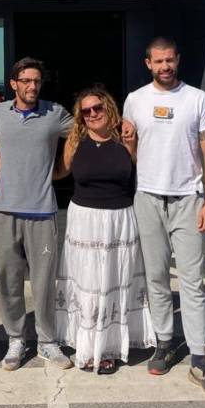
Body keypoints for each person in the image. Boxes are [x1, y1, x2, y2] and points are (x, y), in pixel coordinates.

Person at [122, 36, 205, 396]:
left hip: (188, 198)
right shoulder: (135, 100)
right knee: (155, 277)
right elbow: (133, 151)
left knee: (193, 281)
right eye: (158, 61)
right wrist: (129, 142)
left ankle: (199, 357)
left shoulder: (197, 98)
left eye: (170, 60)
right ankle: (165, 342)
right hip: (148, 196)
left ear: (177, 60)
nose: (165, 67)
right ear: (147, 63)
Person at [53, 86, 156, 374]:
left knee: (114, 281)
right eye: (86, 111)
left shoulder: (126, 138)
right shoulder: (75, 141)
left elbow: (144, 168)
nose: (92, 114)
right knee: (87, 284)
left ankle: (109, 347)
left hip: (120, 220)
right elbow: (56, 172)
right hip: (84, 221)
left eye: (97, 107)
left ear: (108, 107)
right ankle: (86, 344)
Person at [0, 57, 74, 371]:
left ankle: (48, 342)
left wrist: (64, 168)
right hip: (3, 210)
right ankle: (15, 339)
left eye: (36, 80)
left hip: (41, 212)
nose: (32, 86)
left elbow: (84, 131)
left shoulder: (54, 113)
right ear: (13, 83)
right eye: (25, 80)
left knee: (44, 282)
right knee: (8, 280)